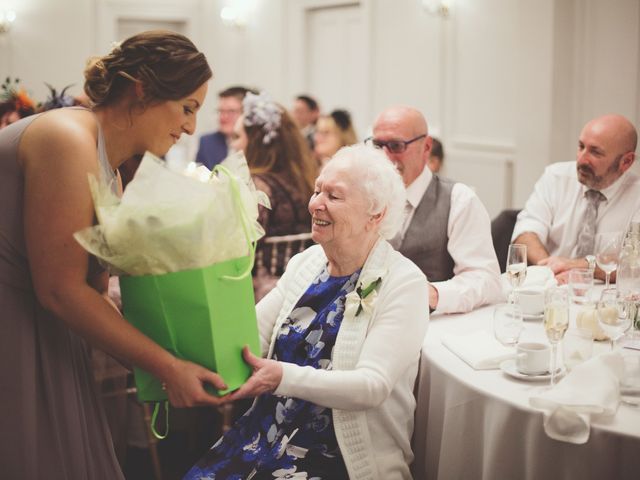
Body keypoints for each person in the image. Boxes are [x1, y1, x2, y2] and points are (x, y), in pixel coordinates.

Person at [0, 30, 227, 479]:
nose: (190, 128)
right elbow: (60, 290)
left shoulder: (114, 173)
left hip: (52, 335)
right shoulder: (66, 138)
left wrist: (172, 365)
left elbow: (93, 294)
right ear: (142, 91)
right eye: (187, 107)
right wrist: (166, 365)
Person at [184, 144, 429, 480]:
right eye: (317, 190)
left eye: (334, 196)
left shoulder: (404, 283)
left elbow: (371, 386)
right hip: (263, 436)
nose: (315, 203)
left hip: (336, 457)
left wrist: (281, 377)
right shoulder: (306, 263)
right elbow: (251, 332)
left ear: (376, 215)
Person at [369, 105, 503, 314]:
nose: (385, 156)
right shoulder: (365, 194)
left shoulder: (459, 200)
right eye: (378, 145)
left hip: (431, 327)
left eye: (396, 146)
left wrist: (431, 294)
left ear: (427, 147)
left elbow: (485, 279)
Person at [512, 114, 639, 283]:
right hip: (554, 289)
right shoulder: (556, 177)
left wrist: (576, 266)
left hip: (608, 298)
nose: (581, 159)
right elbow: (526, 233)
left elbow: (634, 264)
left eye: (596, 152)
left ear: (626, 162)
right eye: (581, 147)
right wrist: (550, 271)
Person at [231, 91, 318, 300]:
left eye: (237, 137)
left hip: (256, 297)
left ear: (255, 142)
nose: (233, 145)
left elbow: (238, 252)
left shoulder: (256, 187)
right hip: (302, 288)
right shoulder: (305, 181)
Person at [195, 85, 254, 169]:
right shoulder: (207, 142)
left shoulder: (257, 145)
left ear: (247, 113)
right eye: (221, 111)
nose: (223, 117)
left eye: (231, 111)